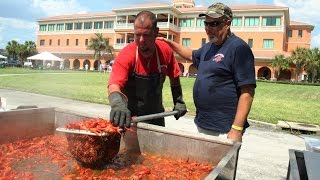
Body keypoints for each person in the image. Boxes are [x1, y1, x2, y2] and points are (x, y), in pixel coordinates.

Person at [158, 2, 256, 142]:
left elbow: (247, 92)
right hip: (203, 124)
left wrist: (237, 129)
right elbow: (192, 55)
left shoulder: (238, 48)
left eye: (214, 24)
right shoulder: (209, 47)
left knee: (220, 165)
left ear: (227, 23)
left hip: (225, 129)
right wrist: (170, 43)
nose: (209, 29)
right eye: (206, 24)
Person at [108, 11, 187, 128]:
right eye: (137, 35)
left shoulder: (165, 50)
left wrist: (178, 101)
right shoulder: (127, 54)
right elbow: (114, 85)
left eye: (146, 35)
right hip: (130, 118)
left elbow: (174, 77)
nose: (141, 41)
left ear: (156, 32)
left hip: (157, 116)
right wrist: (117, 104)